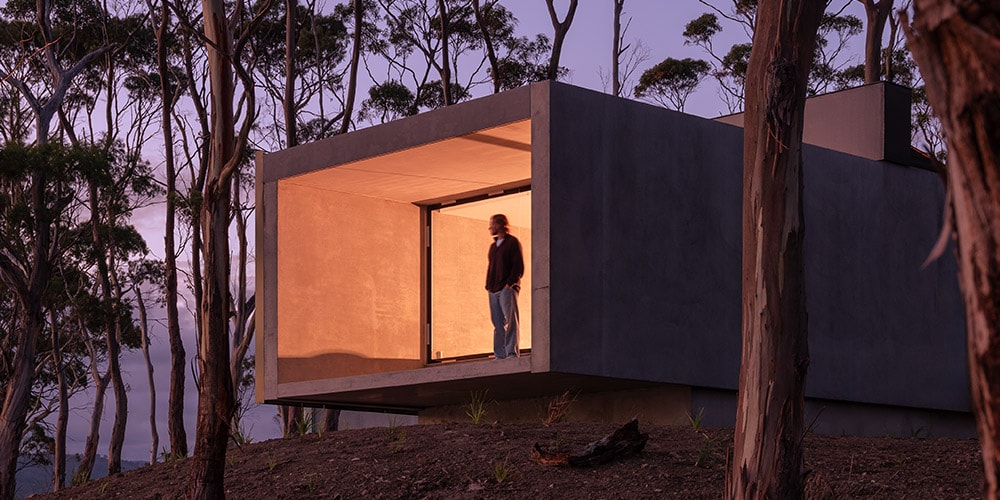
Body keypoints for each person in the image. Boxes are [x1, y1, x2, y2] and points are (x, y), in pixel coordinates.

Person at [485, 213, 524, 359]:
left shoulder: (512, 243)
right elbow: (491, 267)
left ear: (500, 224)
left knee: (511, 320)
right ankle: (500, 354)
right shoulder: (493, 247)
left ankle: (512, 352)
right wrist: (488, 286)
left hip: (507, 288)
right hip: (493, 289)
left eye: (492, 223)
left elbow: (518, 265)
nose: (490, 227)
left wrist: (510, 283)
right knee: (497, 323)